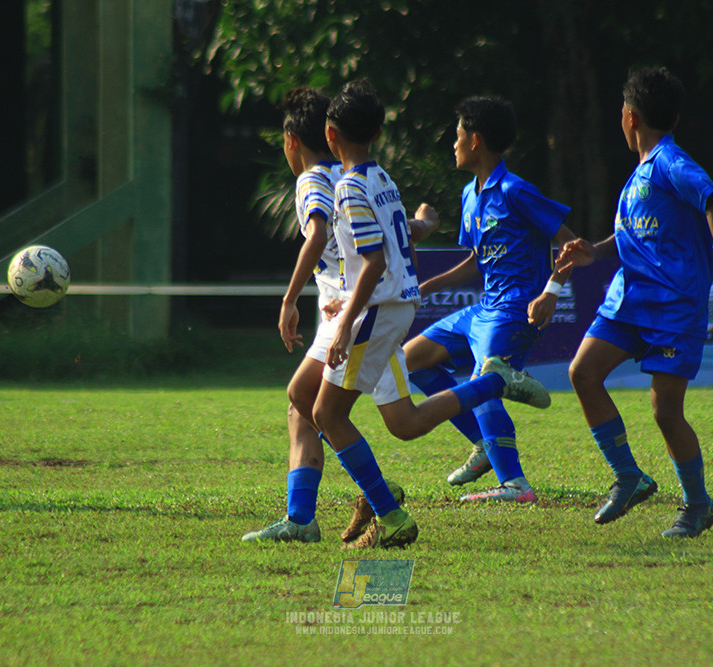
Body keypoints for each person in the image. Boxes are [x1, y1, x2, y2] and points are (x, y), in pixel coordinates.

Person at [310, 80, 552, 549]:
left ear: (330, 133)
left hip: (378, 312)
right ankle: (492, 384)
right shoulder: (382, 180)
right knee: (404, 424)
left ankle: (386, 510)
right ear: (378, 133)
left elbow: (375, 261)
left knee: (325, 413)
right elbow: (395, 242)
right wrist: (425, 225)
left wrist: (344, 321)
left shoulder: (347, 188)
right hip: (391, 308)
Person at [556, 66, 713, 538]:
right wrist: (595, 251)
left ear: (630, 116)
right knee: (583, 373)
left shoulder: (672, 162)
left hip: (673, 308)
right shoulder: (641, 173)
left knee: (665, 411)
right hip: (628, 302)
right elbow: (632, 235)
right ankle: (629, 476)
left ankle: (697, 506)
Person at [241, 87, 436, 544]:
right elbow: (390, 233)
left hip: (361, 309)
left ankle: (382, 507)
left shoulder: (316, 180)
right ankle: (306, 516)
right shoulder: (366, 176)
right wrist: (424, 225)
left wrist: (291, 300)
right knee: (305, 400)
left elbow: (320, 235)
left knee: (337, 413)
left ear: (295, 141)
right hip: (360, 307)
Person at [402, 96, 575, 503]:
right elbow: (479, 261)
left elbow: (571, 246)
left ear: (475, 140)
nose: (454, 143)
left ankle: (515, 485)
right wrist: (429, 287)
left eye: (458, 135)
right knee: (409, 360)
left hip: (515, 310)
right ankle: (483, 444)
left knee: (484, 378)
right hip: (483, 309)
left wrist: (550, 292)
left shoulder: (517, 191)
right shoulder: (469, 195)